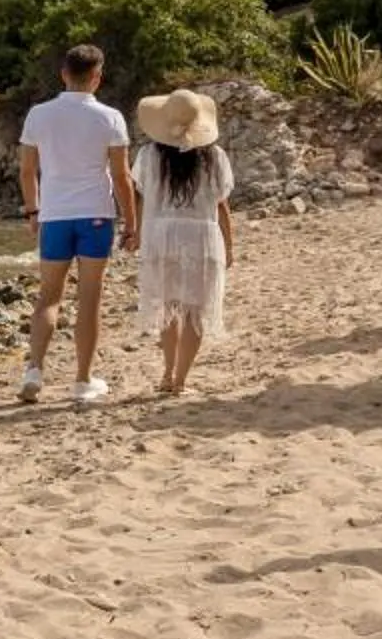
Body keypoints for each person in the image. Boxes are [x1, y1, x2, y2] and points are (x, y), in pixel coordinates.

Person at [17, 44, 137, 406]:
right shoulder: (110, 117)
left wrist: (32, 212)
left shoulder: (38, 114)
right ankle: (83, 381)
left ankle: (34, 370)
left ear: (63, 74)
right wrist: (132, 223)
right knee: (89, 299)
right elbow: (121, 176)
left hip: (53, 215)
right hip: (95, 215)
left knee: (48, 297)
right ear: (97, 77)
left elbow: (26, 169)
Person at [131, 89, 235, 396]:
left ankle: (166, 373)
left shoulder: (150, 155)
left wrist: (136, 232)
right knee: (194, 310)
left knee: (169, 305)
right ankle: (180, 381)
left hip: (161, 234)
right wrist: (229, 244)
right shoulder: (214, 157)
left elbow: (142, 195)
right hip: (201, 235)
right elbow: (221, 204)